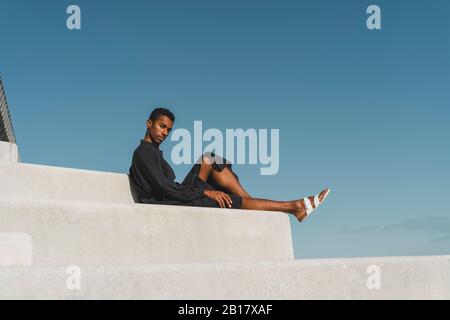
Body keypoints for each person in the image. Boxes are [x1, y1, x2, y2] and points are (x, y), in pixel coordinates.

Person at [129, 107, 330, 222]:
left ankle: (252, 202)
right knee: (226, 198)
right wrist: (205, 193)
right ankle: (294, 207)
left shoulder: (153, 153)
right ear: (149, 124)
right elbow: (164, 188)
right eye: (161, 126)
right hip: (168, 204)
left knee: (209, 159)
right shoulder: (143, 154)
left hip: (177, 196)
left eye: (168, 129)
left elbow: (169, 186)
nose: (164, 132)